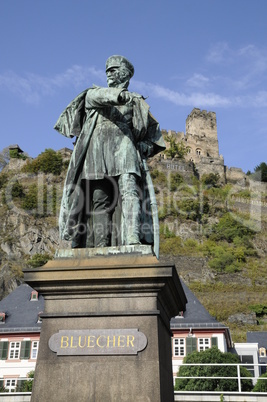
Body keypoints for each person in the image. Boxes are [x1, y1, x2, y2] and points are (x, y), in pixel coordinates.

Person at [54, 55, 165, 250]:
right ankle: (100, 246)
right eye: (108, 70)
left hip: (125, 145)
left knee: (130, 191)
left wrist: (145, 147)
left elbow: (153, 137)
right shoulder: (94, 94)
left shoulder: (137, 102)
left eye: (114, 69)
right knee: (99, 199)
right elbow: (98, 97)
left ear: (126, 74)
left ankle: (132, 238)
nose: (109, 73)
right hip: (96, 150)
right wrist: (121, 96)